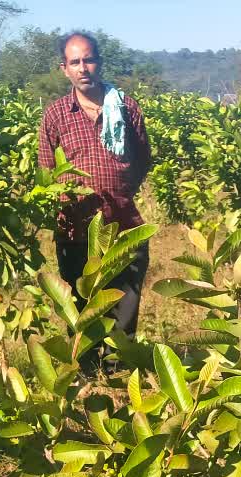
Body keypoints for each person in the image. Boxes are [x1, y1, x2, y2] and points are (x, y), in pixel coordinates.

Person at [37, 32, 152, 372]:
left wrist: (118, 191)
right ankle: (85, 370)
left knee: (126, 299)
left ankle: (119, 371)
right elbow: (47, 170)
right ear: (64, 69)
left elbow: (142, 159)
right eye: (75, 62)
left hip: (124, 224)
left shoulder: (126, 107)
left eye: (89, 60)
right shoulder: (56, 114)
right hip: (75, 227)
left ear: (99, 62)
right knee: (80, 300)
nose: (83, 68)